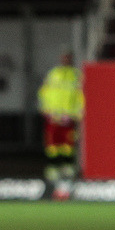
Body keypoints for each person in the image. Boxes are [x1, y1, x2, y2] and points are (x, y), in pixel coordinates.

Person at [37, 52, 84, 180]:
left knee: (68, 145)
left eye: (68, 57)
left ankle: (67, 168)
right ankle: (53, 169)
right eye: (63, 57)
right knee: (52, 145)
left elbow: (80, 96)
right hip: (53, 116)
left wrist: (76, 114)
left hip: (68, 117)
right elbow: (44, 92)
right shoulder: (54, 74)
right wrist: (46, 110)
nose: (65, 59)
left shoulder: (76, 75)